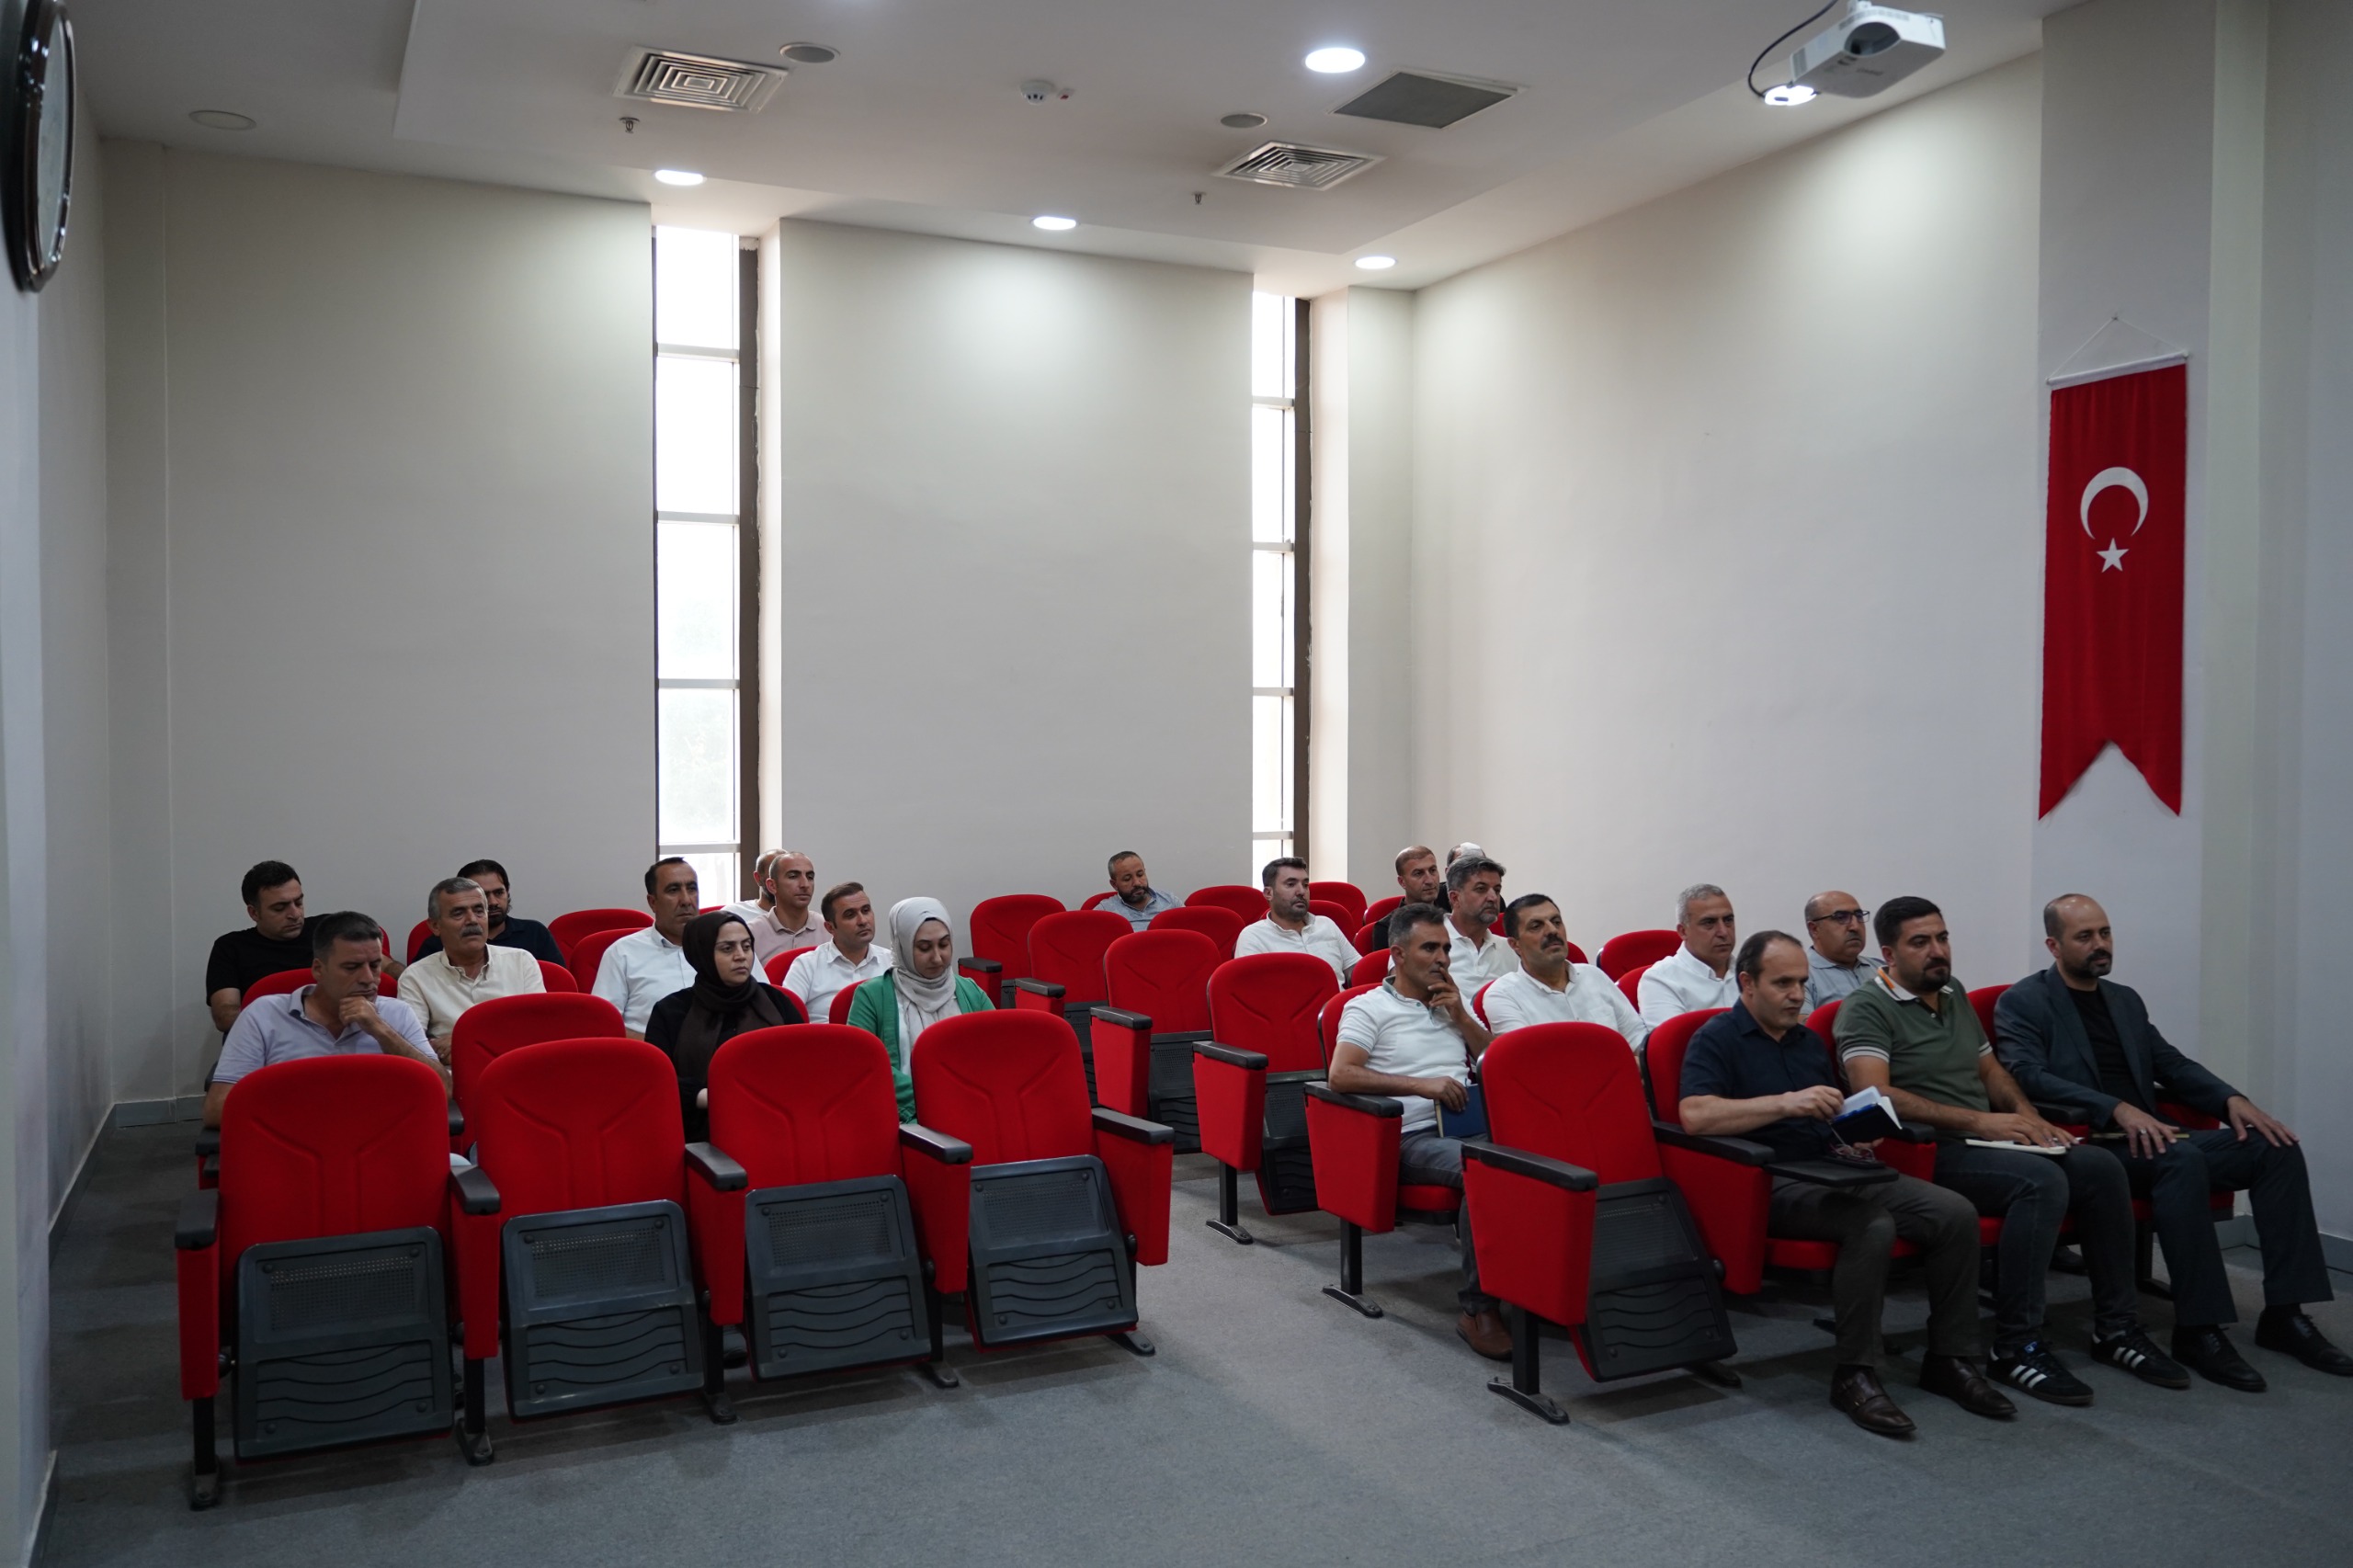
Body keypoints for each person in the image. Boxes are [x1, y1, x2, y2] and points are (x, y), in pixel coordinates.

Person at [1837, 895, 2182, 1404]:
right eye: (1920, 942)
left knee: (2101, 1167)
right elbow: (1875, 1092)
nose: (1938, 951)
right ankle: (2016, 1344)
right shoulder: (1865, 1007)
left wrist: (2029, 1117)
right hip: (1925, 1150)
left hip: (1986, 1139)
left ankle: (2117, 1328)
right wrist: (1983, 1121)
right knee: (2039, 1182)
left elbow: (1991, 1071)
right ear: (1888, 954)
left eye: (1942, 938)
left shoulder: (1952, 992)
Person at [1994, 895, 2348, 1387]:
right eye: (2085, 936)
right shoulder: (2024, 1001)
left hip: (2155, 1135)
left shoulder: (2124, 1000)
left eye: (2105, 932)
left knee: (2275, 1148)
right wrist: (2114, 1107)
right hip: (2093, 1142)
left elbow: (2172, 1065)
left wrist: (2231, 1100)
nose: (2100, 944)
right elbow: (2027, 1075)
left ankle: (2285, 1315)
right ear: (2054, 946)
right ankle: (2199, 1328)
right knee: (2179, 1158)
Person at [1680, 932, 2010, 1435]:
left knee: (1953, 1213)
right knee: (1870, 1224)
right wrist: (1785, 1103)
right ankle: (1856, 1372)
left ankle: (1950, 1358)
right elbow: (1695, 1115)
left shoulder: (1808, 1040)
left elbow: (1827, 1113)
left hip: (1831, 1166)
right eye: (1783, 984)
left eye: (1802, 983)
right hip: (1767, 1181)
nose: (1797, 995)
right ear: (1747, 983)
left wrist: (1854, 1131)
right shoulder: (1716, 1038)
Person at [1328, 903, 1505, 1360]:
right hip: (1410, 1136)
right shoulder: (1367, 1008)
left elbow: (1496, 1064)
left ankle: (1537, 1289)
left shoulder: (1451, 1003)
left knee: (1544, 1162)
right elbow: (1341, 1075)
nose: (1442, 958)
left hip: (1473, 1127)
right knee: (1487, 1171)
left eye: (1446, 948)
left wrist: (1462, 1017)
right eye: (1430, 948)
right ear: (1399, 955)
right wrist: (1421, 1085)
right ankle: (1479, 1310)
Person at [204, 912, 443, 1127]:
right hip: (291, 1144)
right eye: (352, 967)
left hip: (381, 1142)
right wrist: (325, 1113)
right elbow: (217, 1109)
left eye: (375, 965)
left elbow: (442, 1089)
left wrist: (380, 1029)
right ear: (318, 969)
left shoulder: (397, 1013)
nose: (368, 979)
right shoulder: (263, 1015)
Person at [644, 912, 806, 1142]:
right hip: (701, 1131)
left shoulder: (776, 1001)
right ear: (702, 954)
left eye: (747, 947)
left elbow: (806, 1064)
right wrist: (708, 1097)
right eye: (727, 949)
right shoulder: (672, 1011)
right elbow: (658, 1081)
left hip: (779, 1123)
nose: (741, 956)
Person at [847, 898, 995, 1119]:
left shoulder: (970, 991)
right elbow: (862, 1064)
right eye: (924, 948)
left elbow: (997, 1054)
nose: (937, 957)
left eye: (944, 945)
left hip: (972, 1110)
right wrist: (934, 1099)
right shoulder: (871, 996)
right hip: (904, 1117)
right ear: (903, 947)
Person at [396, 877, 546, 1059]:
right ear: (435, 926)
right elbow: (411, 1048)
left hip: (515, 1066)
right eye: (458, 913)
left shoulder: (521, 962)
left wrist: (463, 1040)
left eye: (479, 911)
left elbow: (538, 1030)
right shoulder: (415, 977)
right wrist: (503, 1036)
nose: (472, 920)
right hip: (453, 1073)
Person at [1481, 894, 1648, 1048]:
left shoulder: (1594, 976)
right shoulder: (1503, 995)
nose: (1552, 930)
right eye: (1536, 926)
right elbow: (1529, 1061)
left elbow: (1638, 1043)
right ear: (1515, 945)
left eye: (1556, 922)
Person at [204, 860, 319, 1034]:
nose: (295, 914)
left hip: (328, 1036)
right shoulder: (230, 947)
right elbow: (225, 1017)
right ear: (254, 913)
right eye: (280, 908)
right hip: (267, 1037)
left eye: (298, 902)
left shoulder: (329, 931)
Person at [593, 858, 701, 1037]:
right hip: (648, 1050)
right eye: (673, 890)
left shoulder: (725, 946)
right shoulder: (622, 953)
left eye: (692, 889)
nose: (686, 900)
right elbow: (603, 1025)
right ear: (653, 902)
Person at [412, 858, 562, 964]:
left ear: (508, 892)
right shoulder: (439, 943)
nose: (493, 902)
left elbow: (557, 986)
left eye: (499, 892)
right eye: (484, 895)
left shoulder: (535, 933)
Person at [782, 882, 892, 1024]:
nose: (863, 921)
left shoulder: (892, 963)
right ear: (830, 927)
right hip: (824, 1037)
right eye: (850, 915)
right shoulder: (806, 965)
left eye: (866, 910)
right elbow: (786, 1020)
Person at [1233, 858, 1358, 980]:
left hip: (1339, 994)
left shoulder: (1326, 924)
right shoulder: (1253, 936)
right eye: (1291, 884)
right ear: (1268, 893)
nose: (1301, 891)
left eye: (1305, 885)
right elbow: (1251, 988)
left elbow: (1355, 970)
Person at [1638, 883, 1740, 1026]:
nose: (1723, 932)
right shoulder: (1661, 980)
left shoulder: (1752, 971)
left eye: (1728, 920)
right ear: (1683, 931)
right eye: (1709, 923)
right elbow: (1673, 1040)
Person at [728, 850, 822, 963]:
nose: (805, 885)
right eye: (793, 876)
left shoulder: (829, 929)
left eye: (810, 877)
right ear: (772, 886)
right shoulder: (751, 934)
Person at [1441, 855, 1518, 988]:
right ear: (1455, 898)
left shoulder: (1511, 949)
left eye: (1497, 890)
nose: (1493, 898)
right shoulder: (1428, 945)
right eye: (1481, 889)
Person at [1802, 890, 1882, 1009]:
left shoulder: (1882, 969)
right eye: (1841, 917)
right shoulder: (1800, 976)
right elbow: (1802, 1021)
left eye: (1859, 916)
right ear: (1814, 929)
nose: (1855, 926)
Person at [1367, 846, 1445, 948]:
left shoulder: (1451, 917)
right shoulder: (1386, 928)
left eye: (1433, 870)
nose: (1429, 881)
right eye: (1418, 873)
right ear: (1402, 882)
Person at [1100, 850, 1184, 931]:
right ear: (1114, 884)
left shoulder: (1171, 901)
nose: (1137, 883)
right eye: (1127, 879)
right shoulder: (1105, 911)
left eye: (1140, 875)